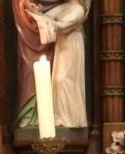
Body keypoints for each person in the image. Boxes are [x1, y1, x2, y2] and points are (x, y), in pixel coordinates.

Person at [14, 0, 89, 130]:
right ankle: (60, 117)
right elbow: (47, 16)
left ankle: (70, 119)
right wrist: (33, 12)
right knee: (57, 81)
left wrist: (45, 22)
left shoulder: (78, 9)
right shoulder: (64, 7)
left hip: (71, 45)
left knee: (64, 79)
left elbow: (61, 25)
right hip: (61, 45)